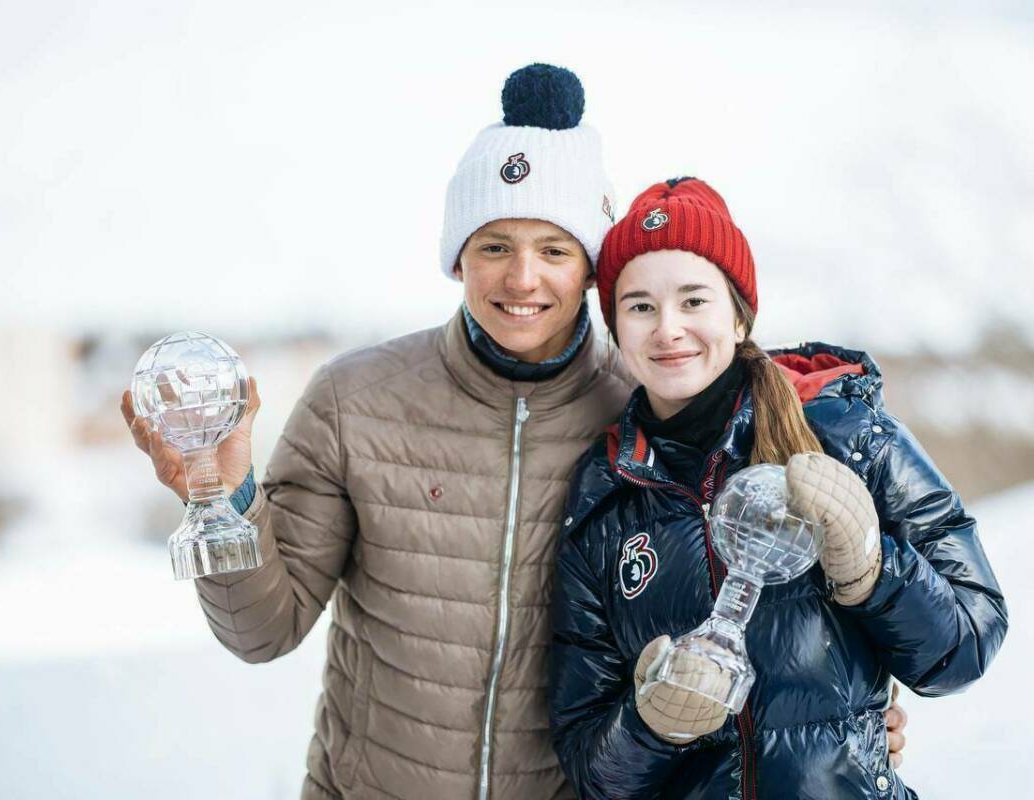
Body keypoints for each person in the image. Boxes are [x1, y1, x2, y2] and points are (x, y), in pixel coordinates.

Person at [121, 66, 906, 800]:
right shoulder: (352, 400)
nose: (522, 278)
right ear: (458, 259)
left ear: (591, 270)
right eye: (494, 246)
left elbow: (743, 600)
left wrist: (854, 717)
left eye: (554, 250)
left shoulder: (647, 412)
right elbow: (263, 631)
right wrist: (222, 500)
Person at [549, 177, 1007, 799]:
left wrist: (872, 571)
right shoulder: (604, 496)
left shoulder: (849, 434)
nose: (668, 329)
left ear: (739, 316)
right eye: (640, 307)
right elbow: (592, 770)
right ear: (615, 329)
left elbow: (965, 648)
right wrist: (651, 725)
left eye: (693, 300)